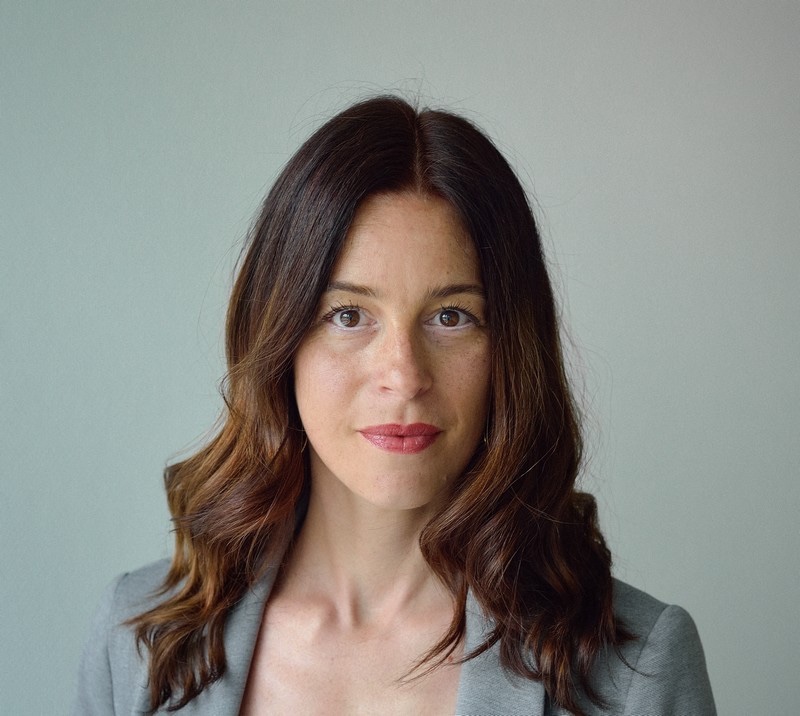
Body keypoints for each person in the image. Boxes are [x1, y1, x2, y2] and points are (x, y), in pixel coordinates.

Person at [74, 95, 716, 715]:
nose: (404, 377)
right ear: (278, 338)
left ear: (511, 349)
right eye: (348, 314)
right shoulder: (136, 639)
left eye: (451, 316)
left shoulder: (637, 673)